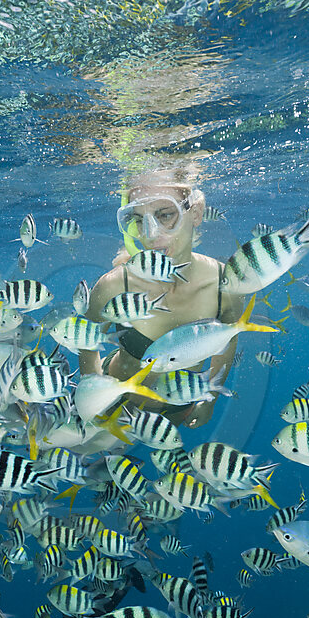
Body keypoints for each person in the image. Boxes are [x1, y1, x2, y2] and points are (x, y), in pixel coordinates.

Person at [79, 168, 244, 428]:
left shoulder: (225, 285)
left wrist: (209, 399)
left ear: (197, 212)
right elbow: (86, 340)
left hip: (182, 407)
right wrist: (94, 400)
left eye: (165, 215)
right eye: (138, 220)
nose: (151, 234)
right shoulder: (114, 286)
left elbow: (228, 339)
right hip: (120, 407)